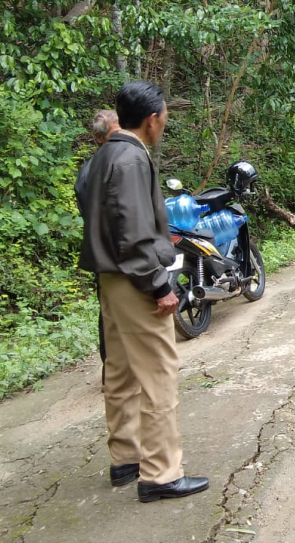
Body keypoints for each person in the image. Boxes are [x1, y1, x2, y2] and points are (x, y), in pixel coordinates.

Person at [79, 80, 209, 503]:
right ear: (153, 119)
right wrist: (158, 286)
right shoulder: (132, 159)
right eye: (165, 117)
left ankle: (125, 459)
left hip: (110, 279)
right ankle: (160, 473)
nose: (165, 123)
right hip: (135, 278)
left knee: (119, 371)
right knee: (157, 373)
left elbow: (95, 210)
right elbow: (132, 232)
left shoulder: (99, 157)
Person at [74, 109, 121, 383]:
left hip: (106, 250)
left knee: (110, 312)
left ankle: (113, 370)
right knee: (112, 313)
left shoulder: (96, 165)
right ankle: (113, 370)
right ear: (99, 138)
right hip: (112, 251)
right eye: (116, 133)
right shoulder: (101, 167)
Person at [74, 109, 120, 218]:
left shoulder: (125, 164)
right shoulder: (89, 174)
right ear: (99, 137)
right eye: (115, 135)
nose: (122, 139)